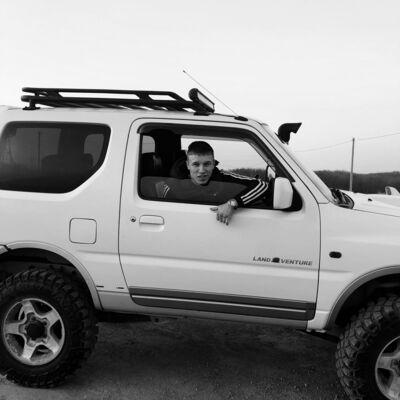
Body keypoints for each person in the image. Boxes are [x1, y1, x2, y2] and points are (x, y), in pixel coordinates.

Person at [160, 141, 269, 225]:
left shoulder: (222, 178)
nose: (202, 170)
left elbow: (262, 185)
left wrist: (232, 203)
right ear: (188, 165)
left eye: (207, 164)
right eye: (196, 164)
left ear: (213, 164)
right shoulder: (171, 186)